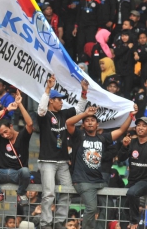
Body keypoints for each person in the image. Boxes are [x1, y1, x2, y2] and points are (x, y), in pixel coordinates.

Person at [66, 105, 137, 229]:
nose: (89, 123)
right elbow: (68, 123)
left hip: (99, 182)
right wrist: (85, 113)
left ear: (97, 124)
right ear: (83, 124)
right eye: (87, 121)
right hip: (83, 181)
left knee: (108, 206)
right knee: (91, 208)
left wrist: (131, 116)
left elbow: (121, 130)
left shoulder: (102, 138)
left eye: (92, 120)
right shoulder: (79, 135)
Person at [37, 75, 89, 229]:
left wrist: (84, 92)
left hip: (63, 162)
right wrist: (48, 88)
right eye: (58, 99)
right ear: (51, 100)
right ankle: (46, 223)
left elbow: (79, 108)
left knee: (67, 192)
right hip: (47, 162)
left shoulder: (64, 114)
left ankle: (59, 221)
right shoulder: (44, 115)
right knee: (48, 194)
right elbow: (40, 109)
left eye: (61, 99)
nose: (61, 101)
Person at [0, 91, 32, 206]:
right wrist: (6, 109)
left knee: (26, 171)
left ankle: (21, 193)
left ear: (11, 126)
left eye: (6, 132)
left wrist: (20, 104)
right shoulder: (0, 137)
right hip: (1, 172)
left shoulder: (22, 136)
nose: (4, 135)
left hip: (17, 173)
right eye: (1, 134)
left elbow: (30, 124)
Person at [118, 116, 147, 229]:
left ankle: (135, 222)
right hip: (132, 181)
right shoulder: (132, 142)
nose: (140, 128)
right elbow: (120, 158)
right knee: (123, 206)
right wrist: (124, 146)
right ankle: (128, 226)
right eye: (138, 125)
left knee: (132, 193)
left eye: (144, 126)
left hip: (145, 180)